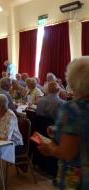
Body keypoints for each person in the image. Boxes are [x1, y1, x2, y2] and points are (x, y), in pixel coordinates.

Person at [38, 56, 89, 190]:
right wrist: (57, 130)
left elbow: (67, 153)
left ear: (73, 80)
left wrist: (50, 149)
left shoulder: (72, 108)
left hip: (78, 178)